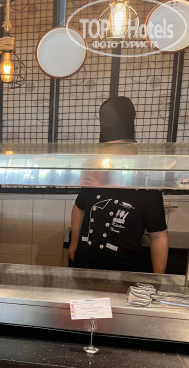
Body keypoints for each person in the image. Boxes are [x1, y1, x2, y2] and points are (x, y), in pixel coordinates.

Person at [68, 97, 169, 273]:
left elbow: (159, 236)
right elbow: (78, 208)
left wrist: (158, 278)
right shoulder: (96, 177)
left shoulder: (147, 187)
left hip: (124, 274)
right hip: (84, 268)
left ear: (131, 151)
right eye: (105, 150)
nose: (109, 155)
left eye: (117, 150)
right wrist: (74, 242)